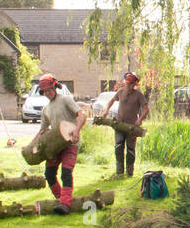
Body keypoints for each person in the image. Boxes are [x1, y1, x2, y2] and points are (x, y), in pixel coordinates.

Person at [30, 74, 87, 214]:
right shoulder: (46, 109)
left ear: (55, 87)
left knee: (66, 172)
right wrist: (31, 145)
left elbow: (82, 115)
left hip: (70, 143)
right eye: (45, 91)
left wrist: (77, 131)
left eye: (50, 89)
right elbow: (42, 130)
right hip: (55, 146)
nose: (48, 93)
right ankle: (60, 199)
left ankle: (65, 204)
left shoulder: (66, 99)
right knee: (49, 174)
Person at [101, 71, 150, 178]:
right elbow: (111, 101)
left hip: (132, 127)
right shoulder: (120, 92)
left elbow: (146, 109)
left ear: (134, 85)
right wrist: (106, 111)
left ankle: (129, 173)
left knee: (130, 150)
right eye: (127, 83)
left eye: (130, 84)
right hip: (119, 125)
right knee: (118, 147)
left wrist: (140, 119)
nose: (128, 85)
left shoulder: (139, 95)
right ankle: (119, 173)